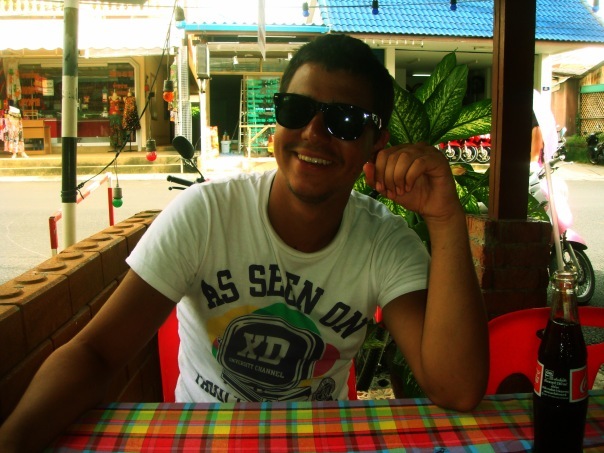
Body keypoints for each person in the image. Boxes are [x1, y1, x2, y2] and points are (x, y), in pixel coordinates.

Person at [0, 34, 488, 451]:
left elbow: (456, 388)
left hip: (315, 440)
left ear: (376, 140)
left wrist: (446, 219)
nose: (313, 134)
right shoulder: (205, 215)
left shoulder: (383, 241)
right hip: (206, 439)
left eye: (343, 121)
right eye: (296, 110)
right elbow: (96, 353)